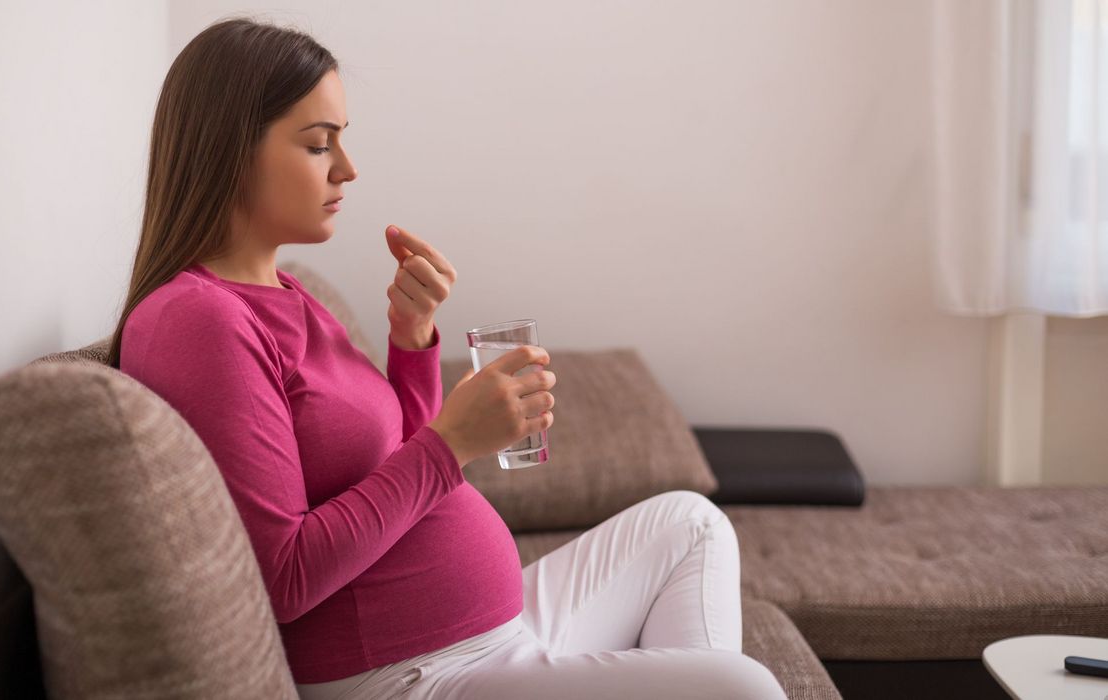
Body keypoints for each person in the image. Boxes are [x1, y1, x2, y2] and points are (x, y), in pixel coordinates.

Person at [109, 15, 787, 700]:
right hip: (411, 676)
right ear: (230, 150)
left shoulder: (288, 292)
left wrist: (412, 340)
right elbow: (282, 575)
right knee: (744, 688)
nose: (347, 168)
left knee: (691, 523)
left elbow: (387, 454)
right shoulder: (202, 320)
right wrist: (451, 444)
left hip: (491, 638)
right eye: (319, 145)